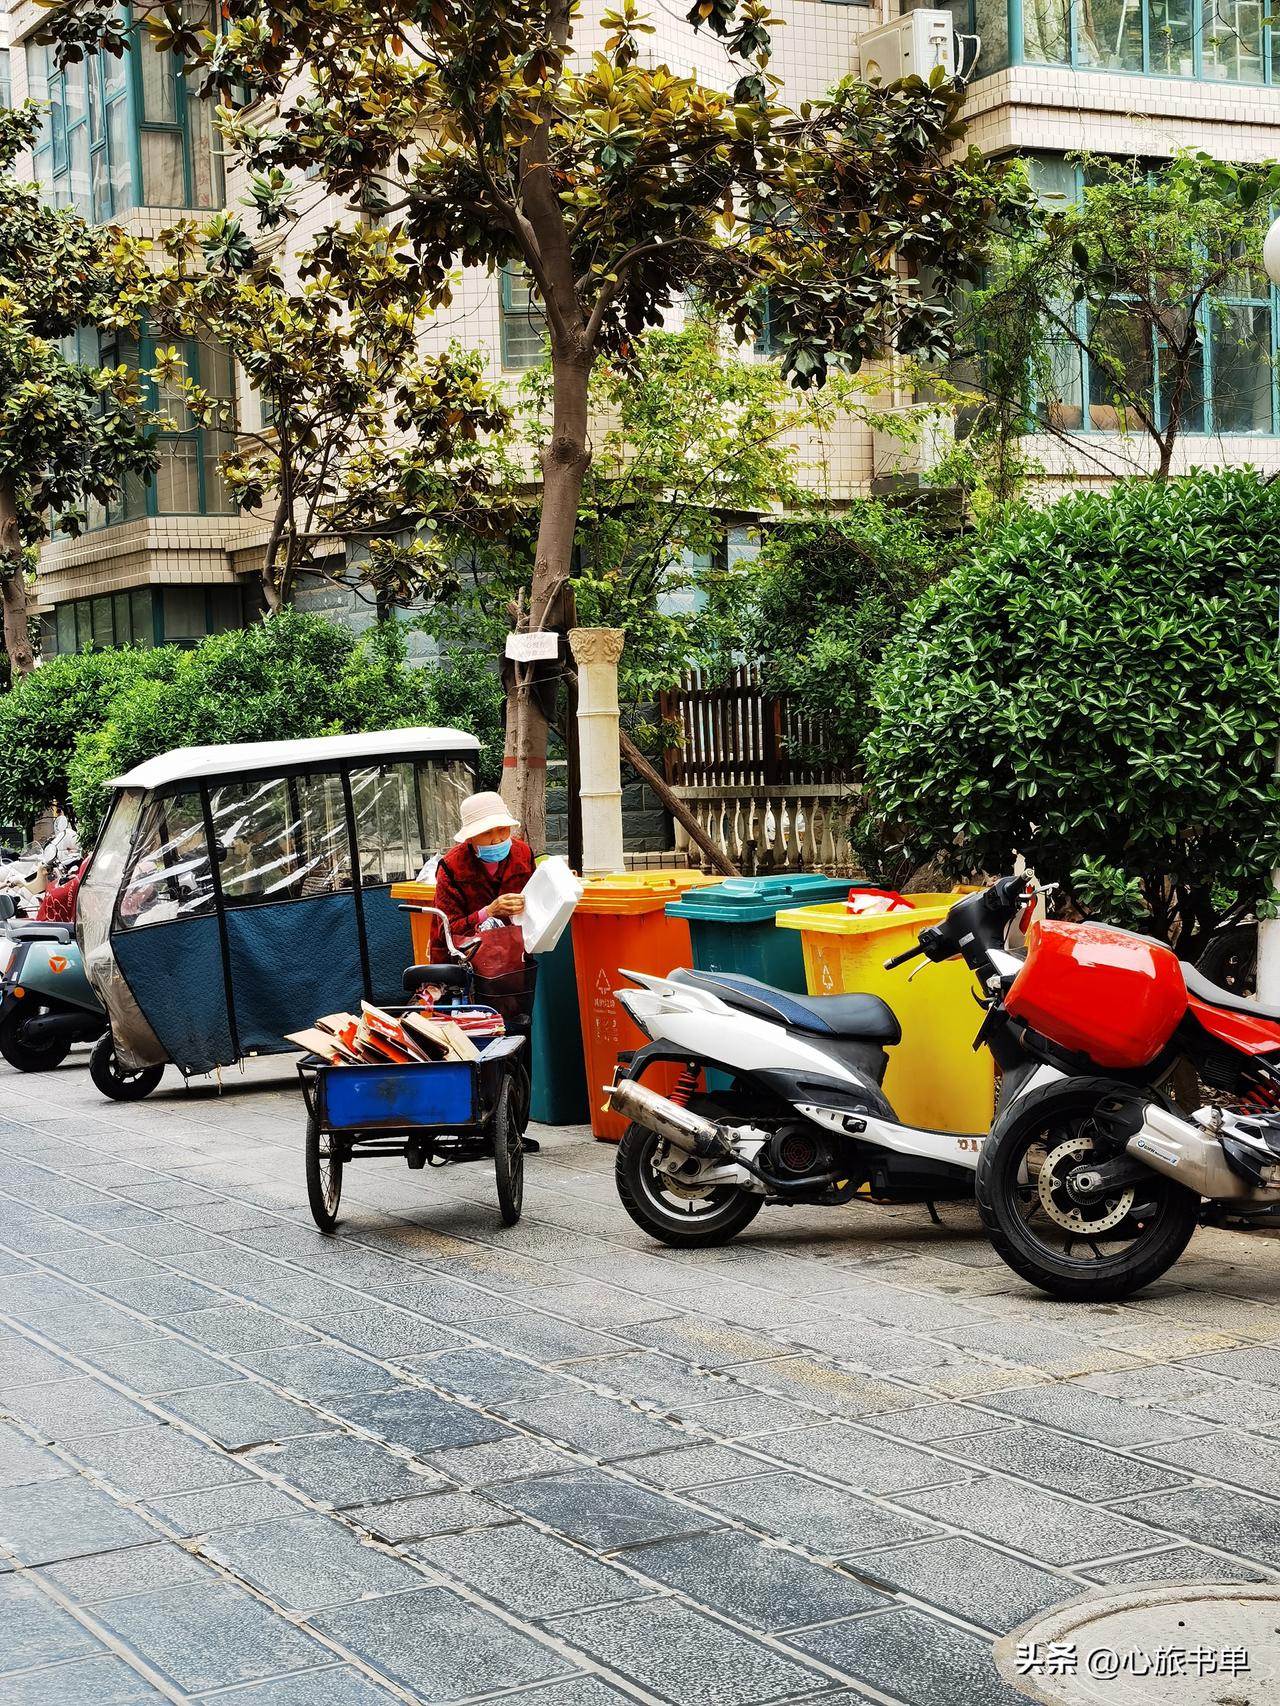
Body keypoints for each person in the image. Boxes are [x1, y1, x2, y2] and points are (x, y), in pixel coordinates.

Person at [432, 791, 539, 1152]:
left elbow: (539, 901)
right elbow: (444, 930)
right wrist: (488, 910)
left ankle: (515, 1131)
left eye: (501, 832)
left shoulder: (523, 854)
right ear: (471, 837)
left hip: (517, 964)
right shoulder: (451, 867)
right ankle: (477, 1127)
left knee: (520, 1040)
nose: (496, 841)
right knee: (477, 1042)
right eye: (487, 835)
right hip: (471, 969)